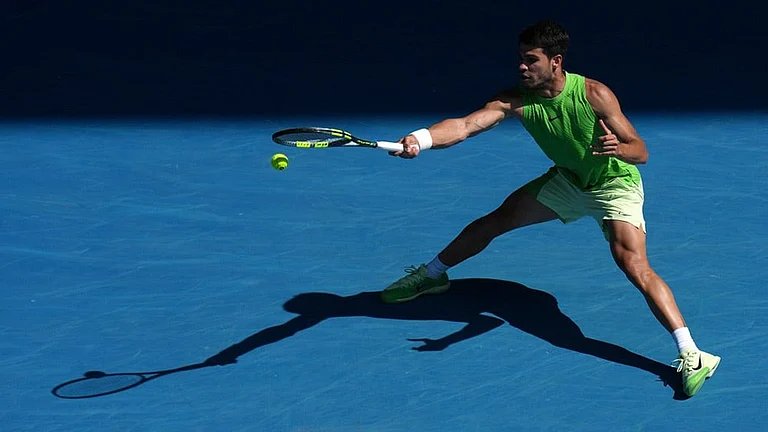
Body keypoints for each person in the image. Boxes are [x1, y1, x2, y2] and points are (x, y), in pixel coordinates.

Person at [380, 19, 720, 397]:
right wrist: (421, 139)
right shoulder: (514, 100)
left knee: (633, 264)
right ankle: (432, 275)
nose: (522, 67)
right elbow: (464, 126)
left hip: (614, 185)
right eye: (520, 59)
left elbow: (640, 151)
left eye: (531, 60)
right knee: (496, 221)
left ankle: (693, 353)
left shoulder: (594, 94)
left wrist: (620, 149)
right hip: (568, 182)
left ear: (556, 62)